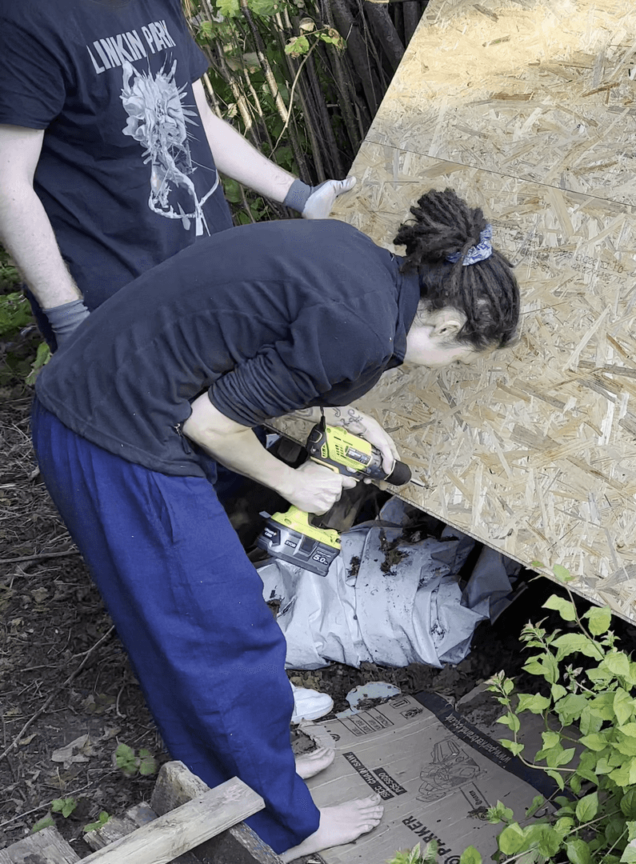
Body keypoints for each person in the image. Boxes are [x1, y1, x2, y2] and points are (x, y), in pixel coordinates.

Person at [29, 189, 520, 859]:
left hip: (102, 403)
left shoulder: (359, 262)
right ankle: (285, 823)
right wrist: (295, 482)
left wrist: (346, 419)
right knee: (229, 632)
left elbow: (257, 341)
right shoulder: (359, 328)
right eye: (459, 359)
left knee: (187, 629)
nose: (447, 370)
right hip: (114, 434)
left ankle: (247, 779)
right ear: (447, 325)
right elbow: (210, 423)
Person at [0, 0, 355, 352]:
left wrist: (300, 195)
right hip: (122, 305)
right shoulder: (22, 19)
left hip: (213, 269)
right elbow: (7, 184)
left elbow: (201, 122)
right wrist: (69, 320)